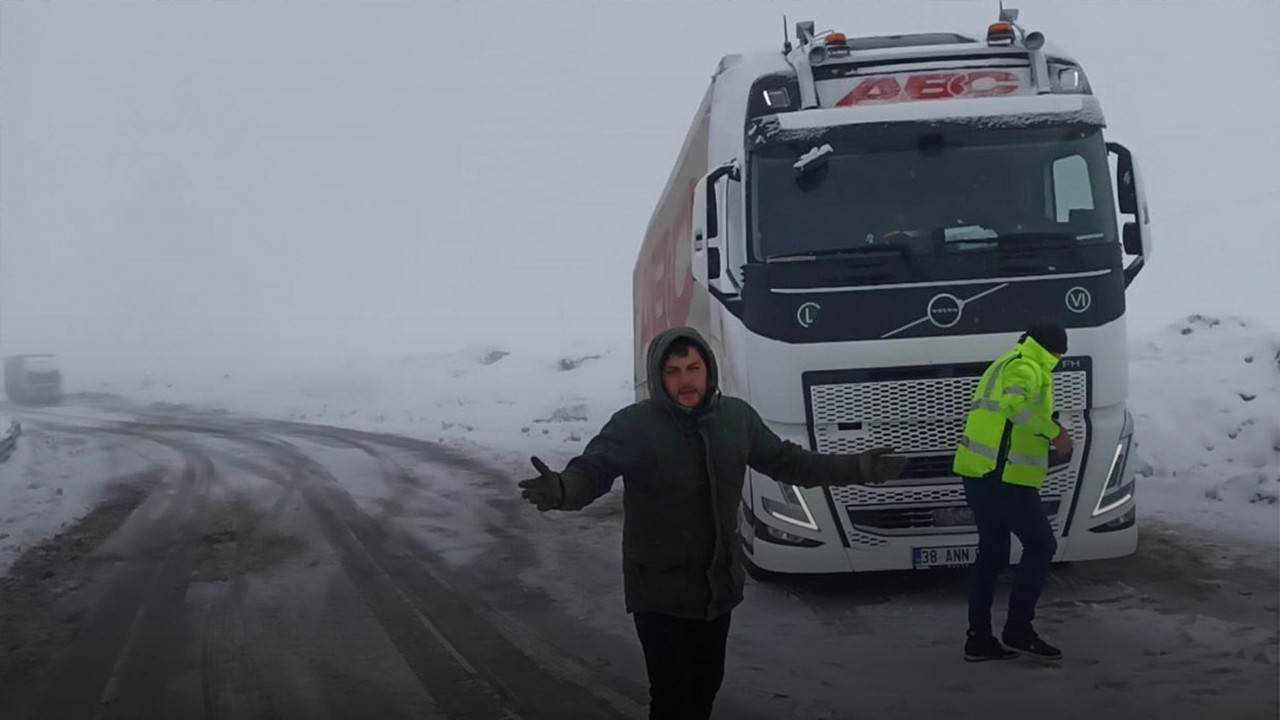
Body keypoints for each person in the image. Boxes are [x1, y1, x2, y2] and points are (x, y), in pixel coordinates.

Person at [518, 327, 904, 720]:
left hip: (715, 591)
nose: (686, 381)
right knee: (673, 699)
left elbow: (791, 462)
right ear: (658, 375)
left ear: (708, 369)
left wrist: (858, 467)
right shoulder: (635, 426)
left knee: (704, 692)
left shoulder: (736, 419)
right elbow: (594, 470)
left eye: (693, 368)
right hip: (659, 591)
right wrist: (563, 489)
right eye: (673, 371)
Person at [953, 319, 1072, 662]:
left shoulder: (1005, 362)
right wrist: (1054, 432)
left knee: (991, 558)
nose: (1061, 360)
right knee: (1041, 545)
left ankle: (978, 639)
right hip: (1004, 478)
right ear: (1054, 350)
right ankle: (1018, 629)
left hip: (980, 475)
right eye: (1061, 354)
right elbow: (1015, 406)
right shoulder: (1027, 366)